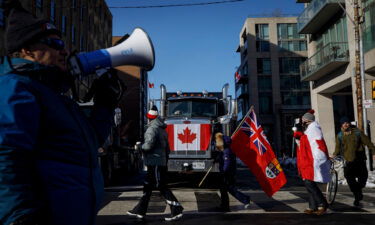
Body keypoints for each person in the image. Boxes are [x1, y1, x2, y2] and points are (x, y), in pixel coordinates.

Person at [0, 4, 122, 225]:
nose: (64, 51)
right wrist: (20, 218)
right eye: (55, 44)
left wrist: (105, 103)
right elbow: (6, 156)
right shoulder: (15, 88)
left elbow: (89, 143)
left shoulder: (56, 97)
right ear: (27, 50)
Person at [126, 106, 184, 221]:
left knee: (160, 186)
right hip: (160, 162)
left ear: (149, 118)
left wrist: (139, 147)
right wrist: (165, 160)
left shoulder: (152, 129)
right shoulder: (162, 129)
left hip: (154, 162)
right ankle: (139, 211)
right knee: (147, 187)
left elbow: (148, 146)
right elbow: (168, 148)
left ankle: (176, 209)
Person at [292, 110, 330, 215]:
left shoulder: (313, 128)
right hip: (306, 160)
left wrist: (300, 135)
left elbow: (317, 143)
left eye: (304, 120)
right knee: (310, 183)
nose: (302, 121)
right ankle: (312, 206)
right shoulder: (309, 130)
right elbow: (304, 143)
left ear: (308, 120)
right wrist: (299, 137)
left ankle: (322, 204)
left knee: (309, 183)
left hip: (311, 160)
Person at [333, 116, 375, 206]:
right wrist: (334, 155)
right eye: (343, 123)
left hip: (359, 159)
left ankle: (358, 190)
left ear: (349, 123)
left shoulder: (357, 133)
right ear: (341, 124)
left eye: (347, 123)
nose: (345, 124)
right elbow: (337, 148)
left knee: (363, 178)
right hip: (348, 161)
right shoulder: (340, 135)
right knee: (349, 178)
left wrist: (374, 153)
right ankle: (357, 196)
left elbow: (368, 143)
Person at [215, 132, 251, 212]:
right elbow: (222, 159)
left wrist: (223, 172)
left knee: (228, 189)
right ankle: (225, 206)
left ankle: (244, 199)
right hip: (227, 173)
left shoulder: (227, 151)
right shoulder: (225, 150)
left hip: (228, 173)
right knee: (225, 189)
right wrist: (217, 159)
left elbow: (227, 163)